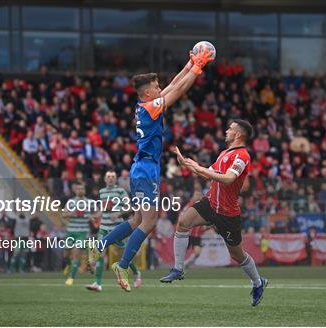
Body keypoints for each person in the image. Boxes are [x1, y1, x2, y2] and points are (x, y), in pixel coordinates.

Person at [89, 46, 214, 292]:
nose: (160, 89)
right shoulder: (151, 107)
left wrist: (189, 65)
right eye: (156, 87)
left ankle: (101, 245)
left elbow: (173, 84)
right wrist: (198, 68)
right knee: (148, 222)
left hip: (141, 168)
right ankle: (122, 265)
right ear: (148, 93)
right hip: (146, 170)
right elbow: (178, 89)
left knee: (137, 220)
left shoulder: (145, 105)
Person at [160, 120, 268, 307]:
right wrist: (187, 163)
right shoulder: (224, 153)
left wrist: (199, 168)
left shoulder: (242, 156)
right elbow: (207, 173)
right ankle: (178, 268)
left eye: (230, 129)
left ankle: (258, 283)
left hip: (228, 212)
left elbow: (228, 179)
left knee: (237, 254)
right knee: (183, 222)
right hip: (211, 203)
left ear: (239, 134)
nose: (227, 131)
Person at [86, 170, 142, 292]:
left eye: (113, 177)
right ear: (105, 179)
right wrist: (96, 215)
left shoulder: (120, 191)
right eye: (108, 177)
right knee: (100, 253)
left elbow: (130, 207)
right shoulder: (101, 192)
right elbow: (102, 209)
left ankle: (137, 273)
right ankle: (98, 284)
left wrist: (119, 213)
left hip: (117, 228)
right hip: (103, 228)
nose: (110, 178)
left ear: (115, 179)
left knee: (124, 254)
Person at [63, 182, 95, 286]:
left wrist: (93, 216)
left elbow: (99, 212)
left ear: (85, 191)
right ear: (75, 190)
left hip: (83, 232)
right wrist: (70, 214)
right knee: (66, 253)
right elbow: (64, 214)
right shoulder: (71, 202)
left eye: (82, 188)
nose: (80, 190)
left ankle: (71, 278)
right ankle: (68, 264)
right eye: (78, 189)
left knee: (76, 252)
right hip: (71, 231)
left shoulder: (90, 202)